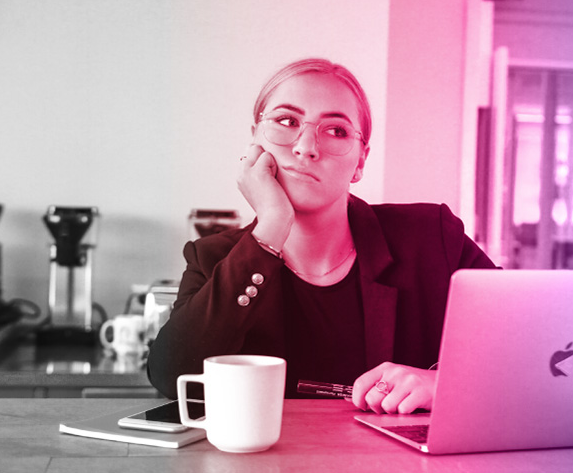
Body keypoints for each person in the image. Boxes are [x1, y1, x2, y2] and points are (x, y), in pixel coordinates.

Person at [147, 58, 496, 414]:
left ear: (361, 161)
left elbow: (536, 348)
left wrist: (444, 384)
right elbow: (172, 377)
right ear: (255, 140)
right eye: (287, 121)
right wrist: (270, 228)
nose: (306, 147)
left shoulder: (431, 238)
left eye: (336, 130)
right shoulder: (213, 258)